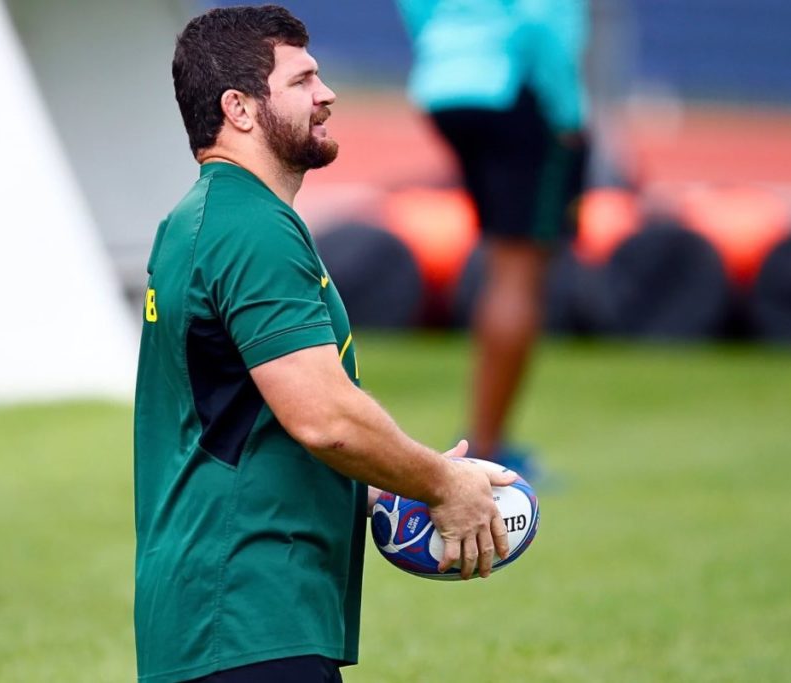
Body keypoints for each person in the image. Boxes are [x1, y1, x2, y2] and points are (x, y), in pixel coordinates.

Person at [133, 6, 517, 683]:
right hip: (249, 613)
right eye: (303, 79)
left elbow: (233, 422)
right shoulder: (253, 227)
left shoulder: (195, 219)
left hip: (214, 614)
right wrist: (442, 482)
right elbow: (324, 418)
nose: (328, 93)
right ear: (240, 108)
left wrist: (400, 485)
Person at [396, 0, 590, 478]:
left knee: (503, 256)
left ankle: (486, 438)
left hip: (446, 86)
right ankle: (487, 448)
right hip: (515, 86)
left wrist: (445, 51)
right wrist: (568, 114)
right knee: (518, 268)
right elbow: (542, 18)